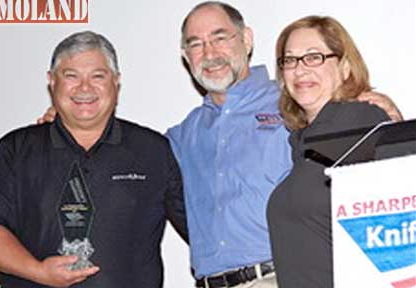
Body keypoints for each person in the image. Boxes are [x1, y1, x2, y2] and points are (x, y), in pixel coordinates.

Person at [36, 2, 402, 288]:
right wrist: (70, 115)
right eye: (195, 44)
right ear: (185, 57)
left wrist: (376, 107)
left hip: (283, 279)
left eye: (220, 37)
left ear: (246, 40)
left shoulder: (293, 102)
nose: (209, 52)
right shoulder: (180, 138)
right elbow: (120, 153)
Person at [0, 31, 187, 288]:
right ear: (51, 81)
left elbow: (201, 225)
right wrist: (38, 271)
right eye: (71, 76)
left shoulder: (154, 150)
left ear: (116, 81)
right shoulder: (15, 149)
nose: (84, 88)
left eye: (98, 76)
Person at [266, 16, 391, 288]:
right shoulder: (302, 141)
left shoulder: (358, 122)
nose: (299, 70)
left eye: (314, 57)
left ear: (345, 67)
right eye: (290, 60)